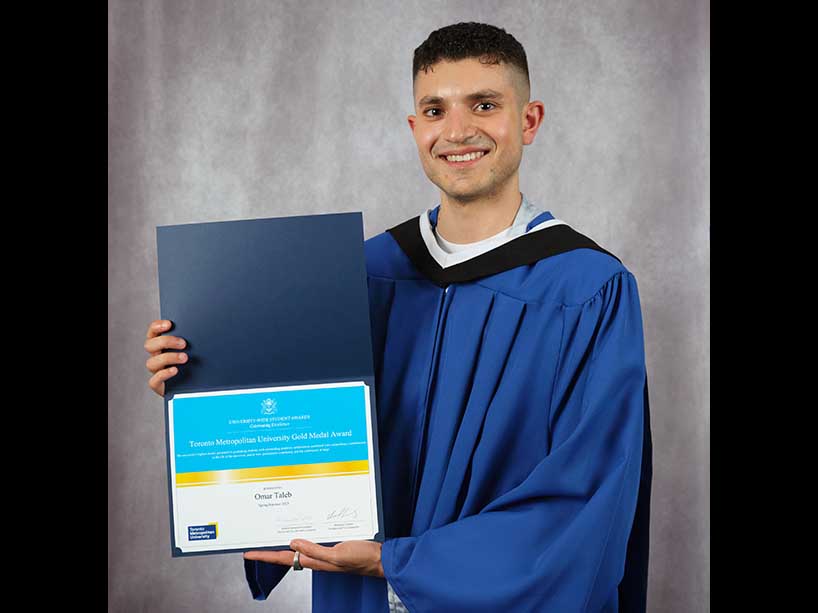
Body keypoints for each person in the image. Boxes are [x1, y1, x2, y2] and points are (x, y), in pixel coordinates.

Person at [144, 22, 652, 613]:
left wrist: (397, 564)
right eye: (435, 110)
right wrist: (202, 383)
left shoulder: (586, 290)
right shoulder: (359, 274)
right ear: (416, 129)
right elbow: (281, 444)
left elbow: (587, 500)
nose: (457, 131)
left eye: (484, 105)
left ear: (529, 120)